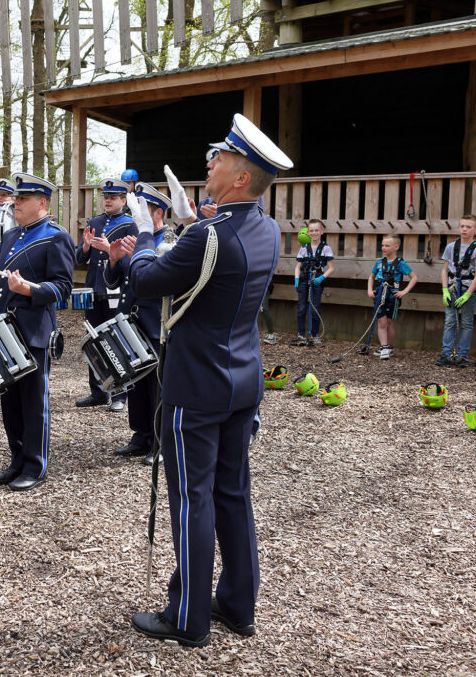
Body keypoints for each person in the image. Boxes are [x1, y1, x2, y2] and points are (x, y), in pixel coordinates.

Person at [113, 113, 291, 647]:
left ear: (241, 178)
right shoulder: (267, 227)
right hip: (242, 378)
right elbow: (218, 275)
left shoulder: (209, 236)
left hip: (197, 385)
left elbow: (146, 281)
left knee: (193, 498)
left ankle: (187, 617)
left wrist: (148, 235)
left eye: (221, 158)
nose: (209, 163)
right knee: (233, 494)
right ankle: (238, 605)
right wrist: (189, 230)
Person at [0, 173, 74, 492]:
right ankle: (17, 460)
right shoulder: (10, 236)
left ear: (42, 203)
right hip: (3, 329)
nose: (15, 204)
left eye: (22, 200)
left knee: (33, 401)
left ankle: (35, 466)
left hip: (34, 330)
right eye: (16, 199)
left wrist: (28, 289)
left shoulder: (56, 237)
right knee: (9, 399)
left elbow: (63, 287)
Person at [104, 181, 169, 464]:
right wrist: (113, 261)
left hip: (157, 324)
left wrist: (136, 257)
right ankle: (141, 435)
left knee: (158, 386)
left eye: (143, 211)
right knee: (137, 384)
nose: (136, 218)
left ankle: (160, 442)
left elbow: (159, 285)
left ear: (158, 214)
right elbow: (115, 283)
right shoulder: (138, 239)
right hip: (133, 321)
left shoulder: (170, 243)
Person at [74, 178, 136, 413]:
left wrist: (111, 250)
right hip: (94, 288)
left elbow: (131, 261)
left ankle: (120, 393)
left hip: (116, 291)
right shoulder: (95, 222)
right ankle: (98, 391)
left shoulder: (130, 224)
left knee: (116, 341)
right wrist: (87, 248)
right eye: (105, 197)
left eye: (113, 197)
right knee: (93, 340)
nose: (108, 200)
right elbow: (79, 259)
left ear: (123, 200)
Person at [438, 214, 476, 367]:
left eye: (468, 227)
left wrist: (468, 294)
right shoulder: (451, 247)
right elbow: (444, 270)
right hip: (451, 288)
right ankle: (446, 353)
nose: (464, 229)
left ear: (475, 229)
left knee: (466, 322)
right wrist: (444, 290)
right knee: (449, 321)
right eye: (462, 226)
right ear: (458, 228)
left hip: (467, 289)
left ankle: (462, 355)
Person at [365, 234, 417, 361]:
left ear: (396, 247)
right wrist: (370, 290)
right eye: (382, 245)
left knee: (389, 322)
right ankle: (384, 347)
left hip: (392, 296)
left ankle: (389, 347)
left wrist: (404, 291)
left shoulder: (400, 263)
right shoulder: (379, 263)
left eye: (387, 246)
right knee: (381, 321)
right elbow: (371, 277)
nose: (383, 248)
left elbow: (414, 277)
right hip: (379, 295)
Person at [291, 219, 334, 346]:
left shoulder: (326, 248)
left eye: (316, 230)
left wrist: (322, 278)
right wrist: (296, 279)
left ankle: (314, 335)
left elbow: (331, 268)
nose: (314, 233)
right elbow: (298, 266)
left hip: (317, 279)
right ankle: (300, 334)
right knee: (301, 308)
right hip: (304, 278)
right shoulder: (303, 249)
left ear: (322, 231)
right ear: (308, 232)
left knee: (315, 308)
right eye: (311, 230)